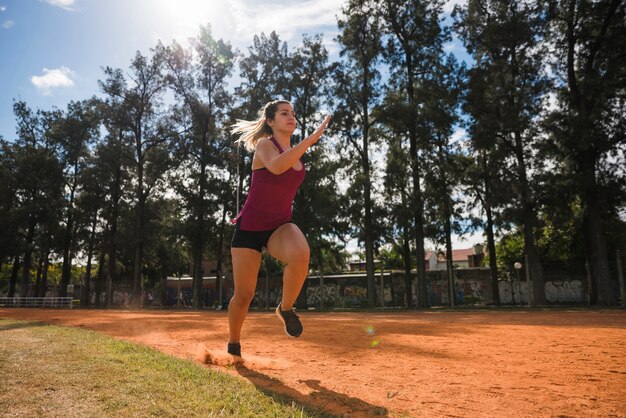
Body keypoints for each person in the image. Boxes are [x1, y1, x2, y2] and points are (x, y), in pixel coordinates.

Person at [227, 99, 331, 358]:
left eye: (293, 113)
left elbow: (288, 165)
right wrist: (309, 141)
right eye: (284, 113)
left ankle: (286, 308)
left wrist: (304, 144)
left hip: (279, 225)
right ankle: (233, 344)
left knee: (301, 254)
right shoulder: (265, 145)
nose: (291, 117)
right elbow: (276, 167)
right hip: (249, 228)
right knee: (244, 295)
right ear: (271, 121)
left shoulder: (294, 152)